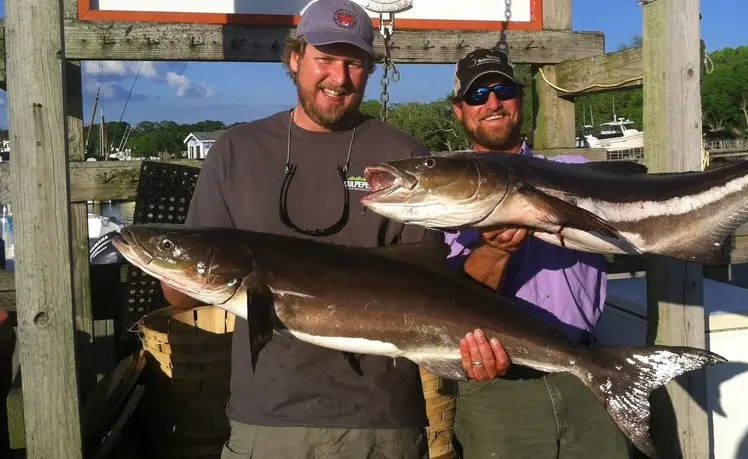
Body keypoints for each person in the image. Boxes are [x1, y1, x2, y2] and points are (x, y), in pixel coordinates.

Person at [158, 3, 505, 458]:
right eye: (325, 58)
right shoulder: (235, 152)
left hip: (382, 421)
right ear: (294, 58)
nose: (338, 78)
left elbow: (435, 283)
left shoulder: (402, 157)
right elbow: (179, 297)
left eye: (354, 63)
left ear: (368, 70)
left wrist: (478, 337)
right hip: (268, 418)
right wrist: (171, 268)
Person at [442, 48, 748, 459]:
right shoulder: (442, 198)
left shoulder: (576, 168)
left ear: (520, 98)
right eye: (477, 96)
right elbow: (450, 299)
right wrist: (493, 251)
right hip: (499, 387)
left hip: (588, 368)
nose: (492, 103)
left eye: (503, 90)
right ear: (460, 110)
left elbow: (667, 210)